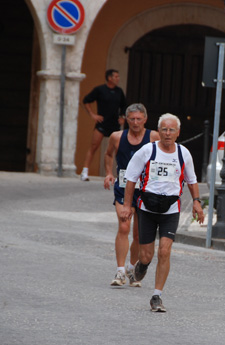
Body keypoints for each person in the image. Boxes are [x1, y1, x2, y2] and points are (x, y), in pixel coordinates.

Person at [120, 113, 205, 312]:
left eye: (171, 130)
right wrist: (127, 206)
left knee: (164, 251)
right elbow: (131, 179)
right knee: (147, 255)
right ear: (158, 131)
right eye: (164, 129)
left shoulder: (183, 153)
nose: (167, 133)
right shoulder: (147, 151)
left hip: (170, 209)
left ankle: (156, 296)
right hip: (147, 208)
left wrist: (197, 202)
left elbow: (192, 180)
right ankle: (142, 265)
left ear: (178, 133)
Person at [104, 103, 160, 287]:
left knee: (138, 234)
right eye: (132, 119)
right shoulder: (117, 136)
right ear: (126, 120)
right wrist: (108, 173)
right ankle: (120, 271)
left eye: (139, 119)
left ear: (145, 119)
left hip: (144, 189)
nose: (135, 122)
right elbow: (108, 154)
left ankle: (131, 268)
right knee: (124, 226)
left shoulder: (153, 137)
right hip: (123, 186)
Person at [80, 69, 127, 181]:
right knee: (94, 146)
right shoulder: (100, 90)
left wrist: (123, 117)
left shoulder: (119, 91)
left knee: (118, 149)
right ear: (109, 78)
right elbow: (86, 100)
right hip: (102, 123)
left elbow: (124, 106)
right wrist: (93, 115)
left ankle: (117, 174)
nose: (118, 79)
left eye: (118, 76)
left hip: (114, 124)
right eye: (116, 76)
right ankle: (85, 171)